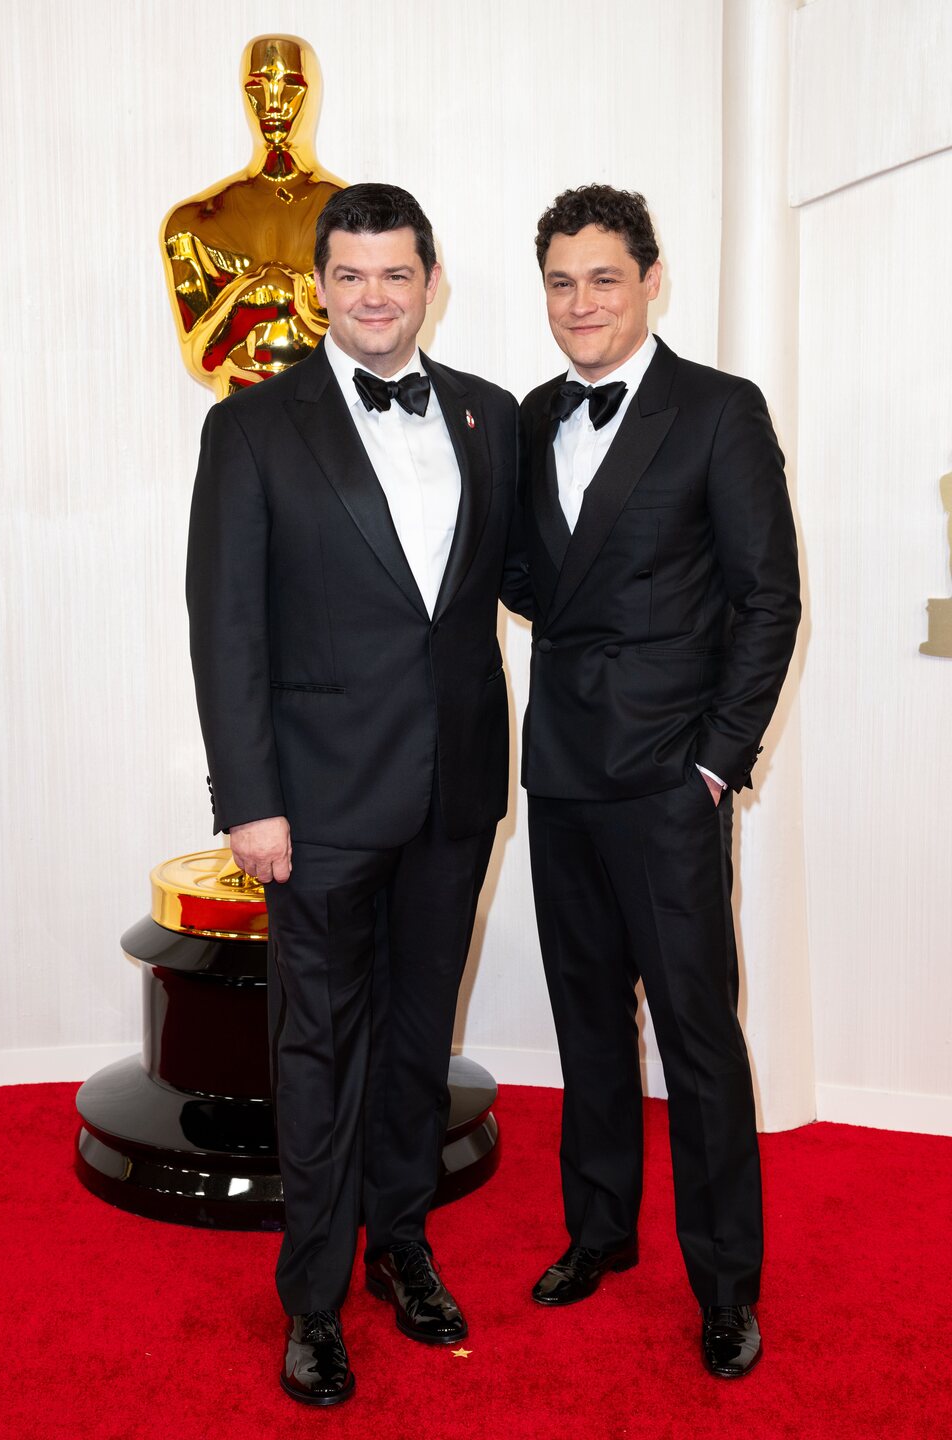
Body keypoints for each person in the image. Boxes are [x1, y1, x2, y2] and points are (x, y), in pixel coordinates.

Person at [186, 183, 522, 1406]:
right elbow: (225, 629)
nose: (374, 297)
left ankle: (405, 1249)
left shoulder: (490, 416)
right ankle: (314, 1301)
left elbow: (525, 579)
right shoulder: (255, 427)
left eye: (397, 275)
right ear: (320, 287)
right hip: (315, 805)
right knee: (320, 1051)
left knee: (416, 1042)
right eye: (352, 277)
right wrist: (250, 798)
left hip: (456, 794)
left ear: (430, 281)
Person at [507, 184, 801, 1378]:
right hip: (564, 774)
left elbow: (768, 600)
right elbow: (530, 576)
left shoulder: (720, 411)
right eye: (562, 283)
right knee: (587, 1024)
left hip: (674, 781)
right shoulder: (526, 419)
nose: (582, 303)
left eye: (603, 279)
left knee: (696, 1034)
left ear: (651, 279)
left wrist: (718, 761)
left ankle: (727, 1281)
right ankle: (599, 1232)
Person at [161, 34, 344, 398]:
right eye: (256, 88)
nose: (272, 104)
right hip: (240, 425)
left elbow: (377, 342)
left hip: (333, 424)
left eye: (291, 86)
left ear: (314, 94)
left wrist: (291, 302)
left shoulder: (361, 218)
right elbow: (202, 359)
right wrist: (249, 299)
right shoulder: (192, 222)